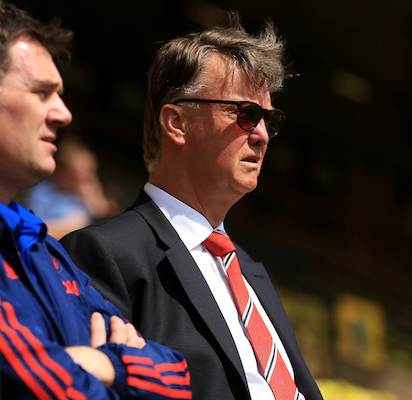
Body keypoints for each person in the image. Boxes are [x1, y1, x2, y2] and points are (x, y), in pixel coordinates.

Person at [0, 4, 191, 399]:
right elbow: (48, 390)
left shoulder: (46, 248)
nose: (63, 114)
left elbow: (178, 381)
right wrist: (120, 369)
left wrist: (102, 363)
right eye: (42, 92)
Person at [61, 15, 324, 400]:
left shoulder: (251, 273)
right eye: (245, 114)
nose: (263, 135)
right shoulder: (106, 254)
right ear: (177, 123)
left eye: (270, 119)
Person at [21, 136, 120, 238]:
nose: (85, 182)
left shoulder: (86, 195)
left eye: (90, 175)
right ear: (61, 173)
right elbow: (35, 229)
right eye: (78, 176)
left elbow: (109, 217)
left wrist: (97, 202)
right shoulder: (43, 192)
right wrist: (74, 225)